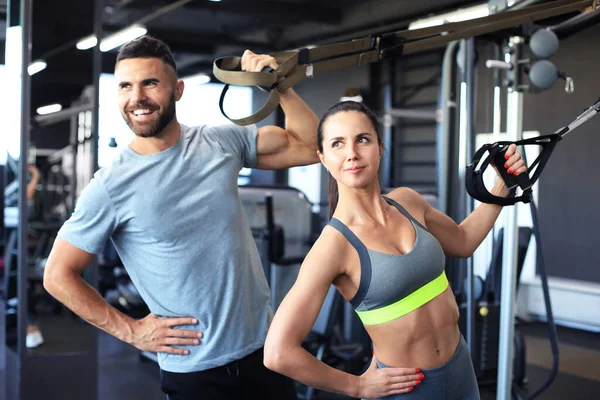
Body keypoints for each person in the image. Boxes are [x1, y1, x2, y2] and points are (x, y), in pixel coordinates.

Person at [43, 35, 324, 399]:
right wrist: (132, 331)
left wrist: (280, 83)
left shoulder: (220, 143)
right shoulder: (110, 186)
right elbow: (57, 275)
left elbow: (311, 146)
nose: (136, 97)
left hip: (267, 353)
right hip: (196, 374)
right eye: (125, 86)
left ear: (177, 89)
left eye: (150, 83)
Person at [263, 101, 527, 400]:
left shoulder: (408, 201)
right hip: (407, 389)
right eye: (338, 144)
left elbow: (464, 241)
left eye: (362, 139)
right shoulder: (333, 246)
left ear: (379, 147)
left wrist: (503, 185)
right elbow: (277, 352)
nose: (352, 153)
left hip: (461, 370)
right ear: (323, 158)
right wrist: (358, 386)